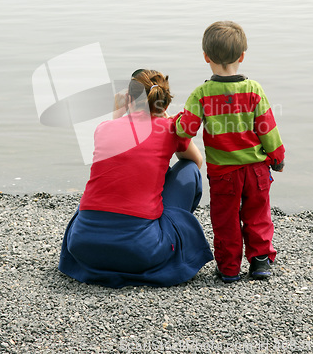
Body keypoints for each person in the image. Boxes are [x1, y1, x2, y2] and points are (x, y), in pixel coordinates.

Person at [59, 69, 213, 288]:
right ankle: (171, 230)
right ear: (164, 104)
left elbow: (119, 152)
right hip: (141, 251)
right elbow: (196, 162)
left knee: (109, 183)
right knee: (187, 168)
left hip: (83, 246)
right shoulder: (169, 128)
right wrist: (169, 122)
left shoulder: (103, 128)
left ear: (128, 100)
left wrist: (116, 112)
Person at [174, 21, 285, 283]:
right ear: (242, 56)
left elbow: (185, 130)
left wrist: (173, 121)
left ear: (206, 57)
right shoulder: (254, 90)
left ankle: (229, 267)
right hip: (256, 169)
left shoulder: (202, 94)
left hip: (223, 172)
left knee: (225, 218)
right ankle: (259, 262)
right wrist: (277, 158)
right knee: (258, 214)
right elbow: (268, 129)